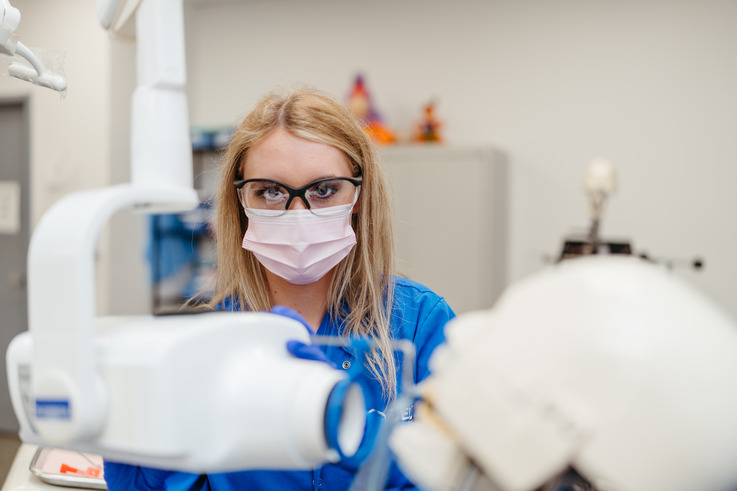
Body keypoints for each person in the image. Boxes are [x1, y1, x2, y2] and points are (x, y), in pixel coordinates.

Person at [104, 87, 455, 490]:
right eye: (270, 192)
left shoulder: (420, 323)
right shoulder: (210, 339)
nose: (298, 215)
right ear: (241, 200)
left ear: (358, 195)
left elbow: (459, 477)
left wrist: (357, 438)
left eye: (324, 190)